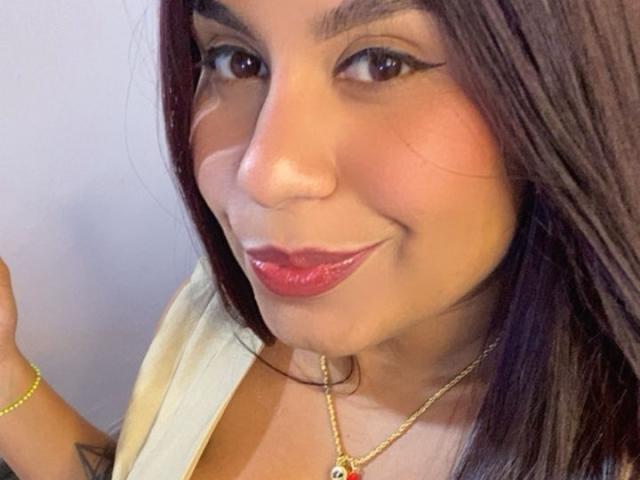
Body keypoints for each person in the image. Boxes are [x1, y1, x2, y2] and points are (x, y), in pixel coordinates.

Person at [1, 0, 639, 478]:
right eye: (237, 60)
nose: (265, 174)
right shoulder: (214, 317)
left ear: (563, 88)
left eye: (381, 63)